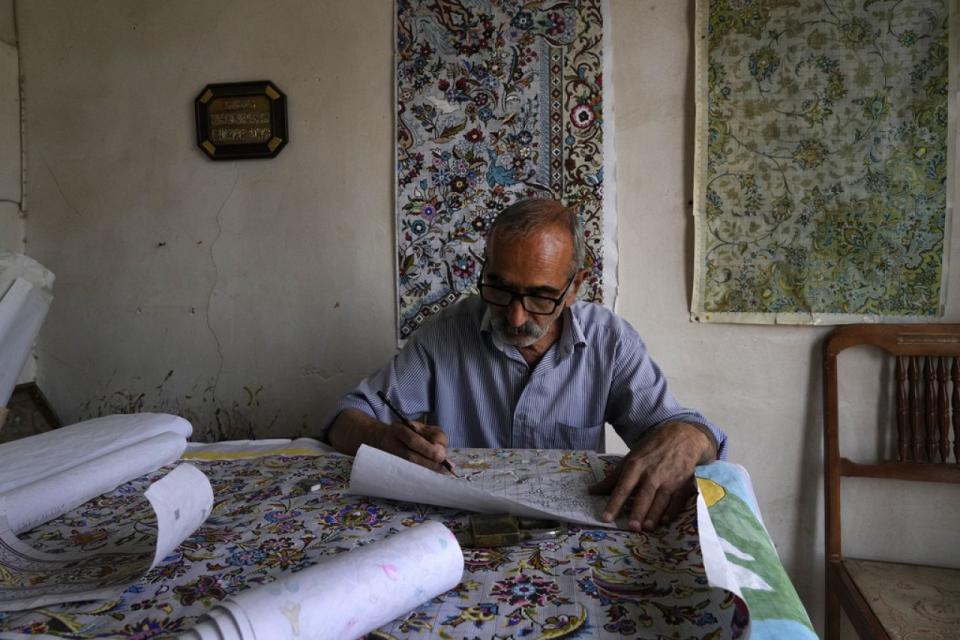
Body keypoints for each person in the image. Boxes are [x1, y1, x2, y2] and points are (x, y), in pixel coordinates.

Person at [322, 198, 727, 532]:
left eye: (540, 297)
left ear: (575, 287)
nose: (515, 318)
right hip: (463, 532)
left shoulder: (610, 342)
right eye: (499, 289)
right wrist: (385, 439)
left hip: (569, 536)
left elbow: (682, 431)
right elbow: (345, 418)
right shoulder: (446, 334)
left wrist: (688, 437)